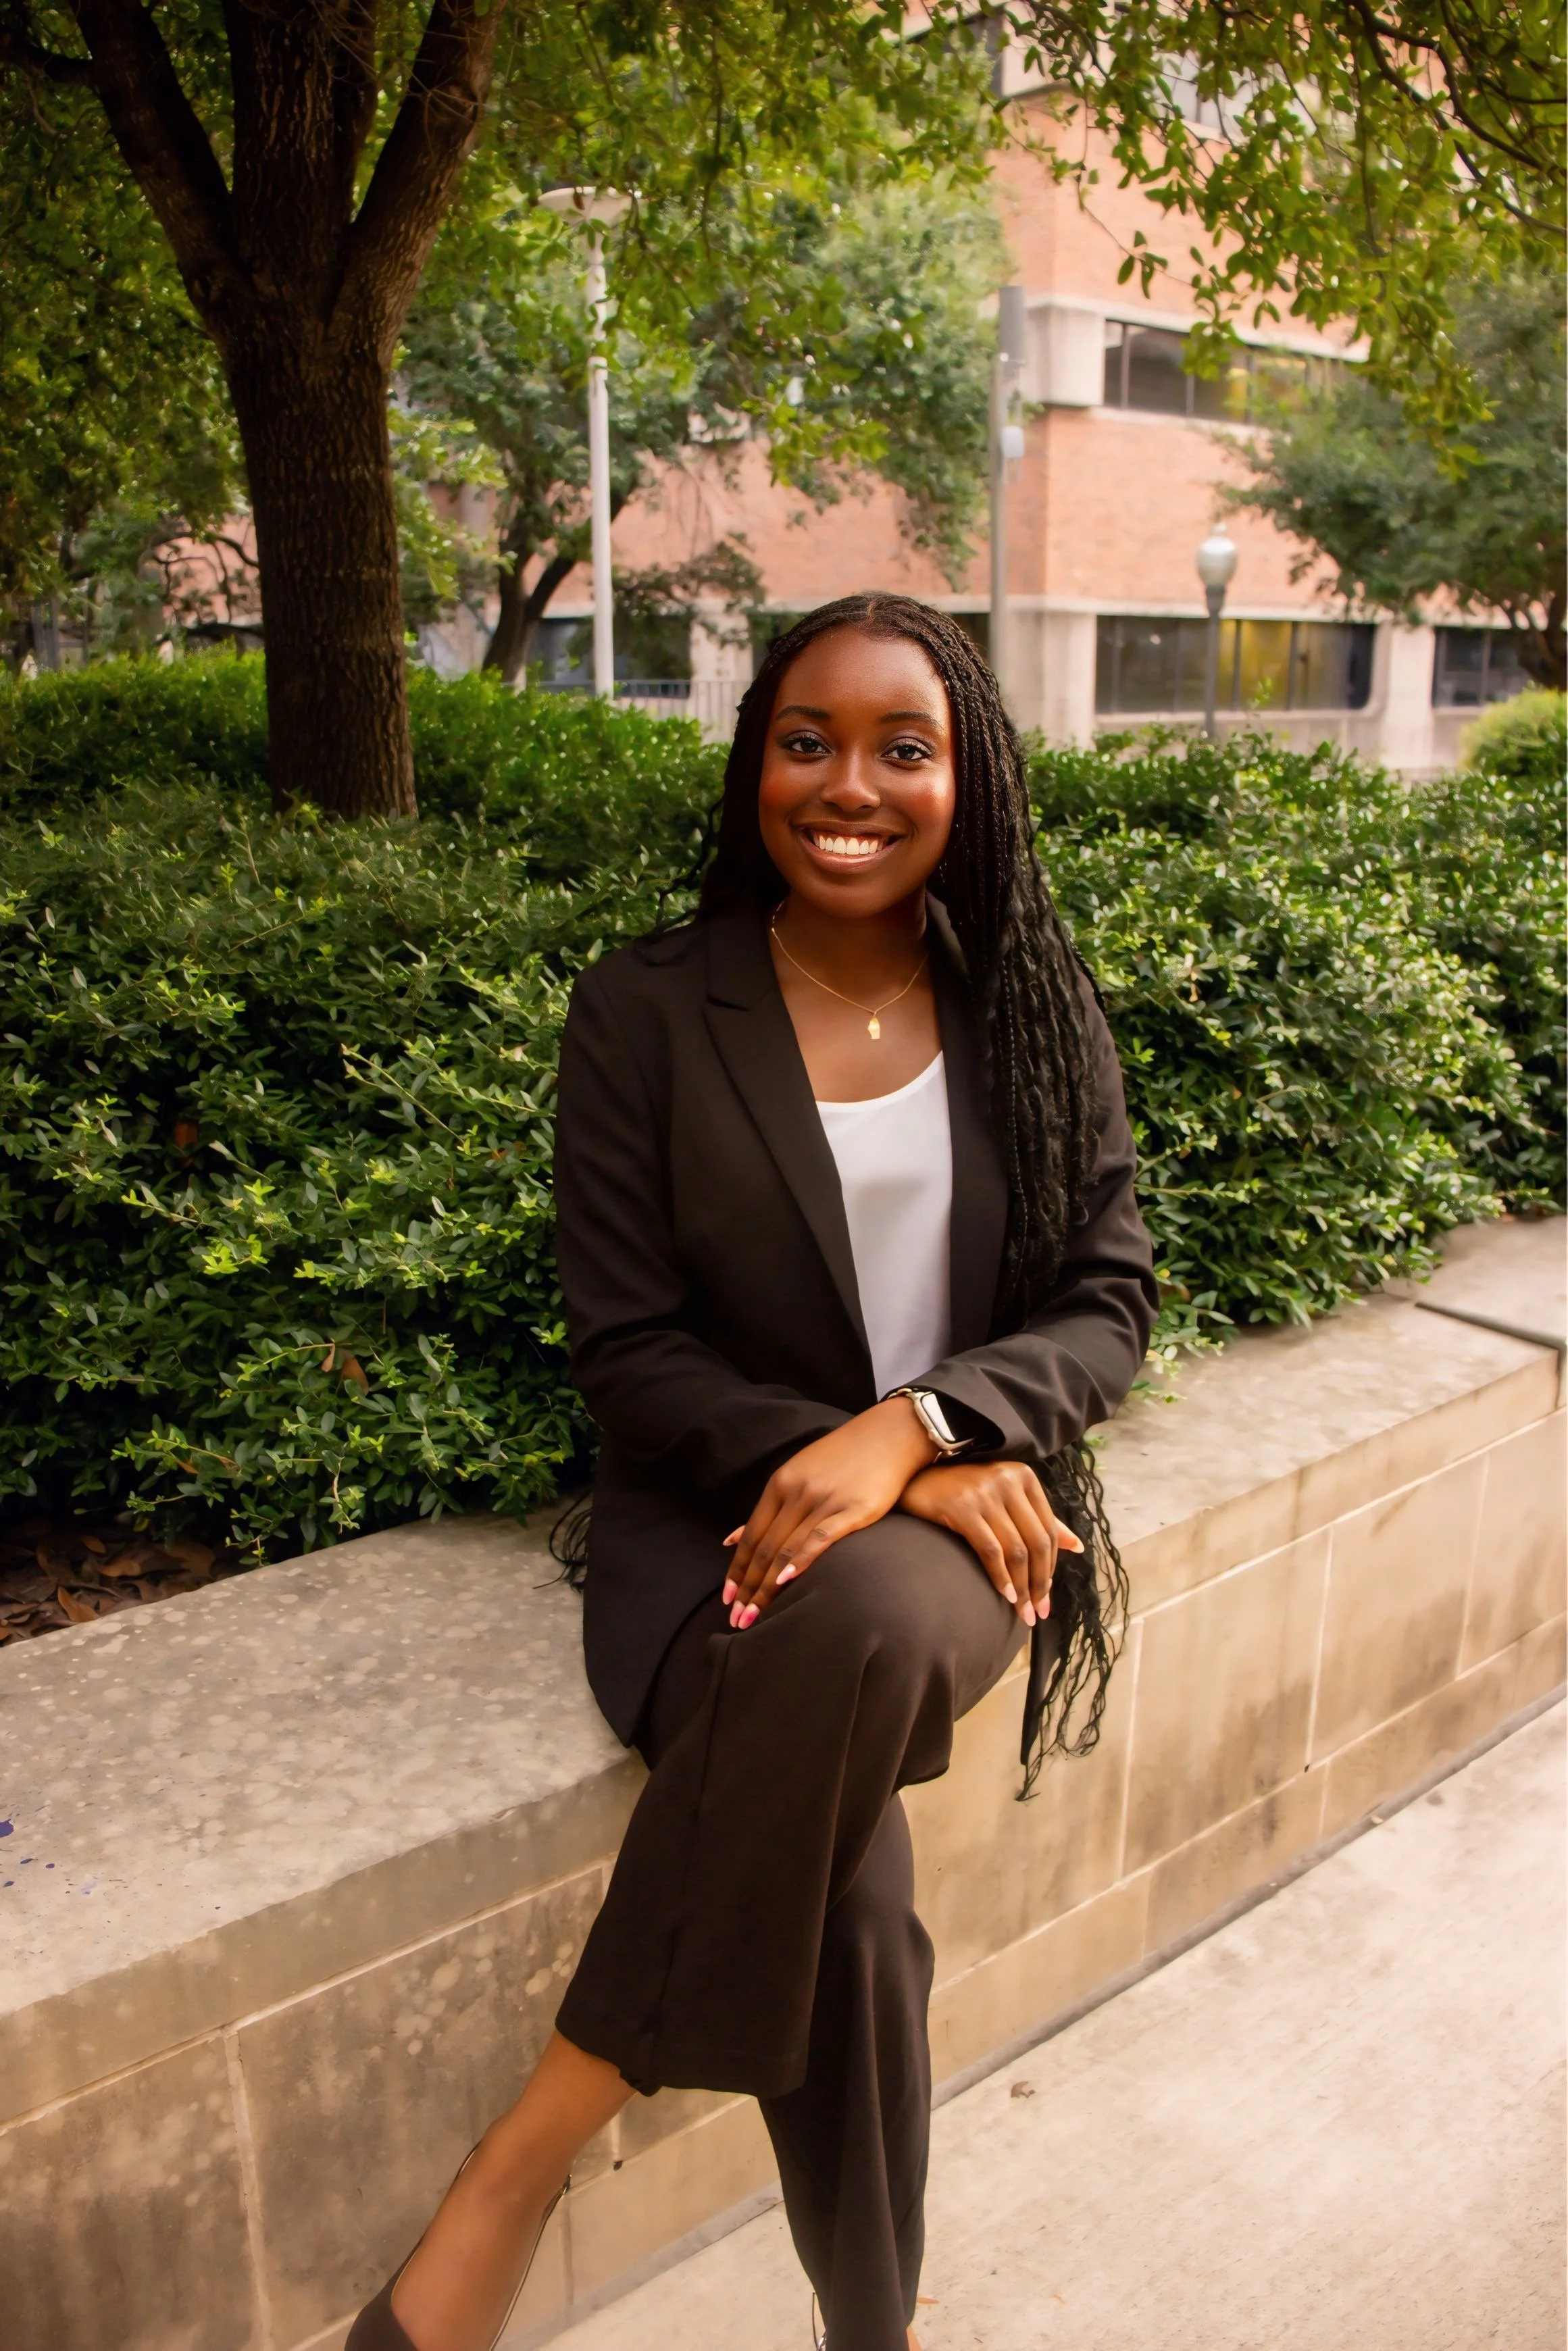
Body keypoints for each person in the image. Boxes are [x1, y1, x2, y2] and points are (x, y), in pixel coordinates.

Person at [347, 595, 1157, 2351]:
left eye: (901, 747)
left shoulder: (1024, 998)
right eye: (807, 740)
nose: (847, 784)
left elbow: (1109, 1299)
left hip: (962, 1541)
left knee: (863, 1608)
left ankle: (522, 2161)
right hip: (708, 1533)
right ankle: (878, 2327)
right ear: (754, 763)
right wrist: (854, 1456)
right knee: (852, 1907)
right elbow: (628, 1355)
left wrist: (922, 1437)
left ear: (970, 779)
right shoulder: (647, 1009)